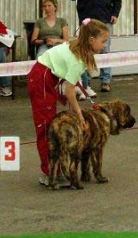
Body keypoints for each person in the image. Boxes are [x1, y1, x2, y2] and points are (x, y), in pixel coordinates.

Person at [27, 18, 109, 186]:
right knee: (46, 127)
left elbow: (69, 85)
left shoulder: (77, 47)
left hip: (48, 77)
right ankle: (49, 173)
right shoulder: (78, 59)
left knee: (50, 124)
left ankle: (55, 170)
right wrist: (80, 116)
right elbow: (69, 91)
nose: (104, 45)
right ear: (91, 40)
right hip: (42, 79)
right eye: (103, 41)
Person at [66, 0, 121, 93]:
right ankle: (86, 82)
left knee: (105, 50)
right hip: (86, 22)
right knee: (85, 50)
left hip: (104, 21)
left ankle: (106, 81)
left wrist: (115, 13)